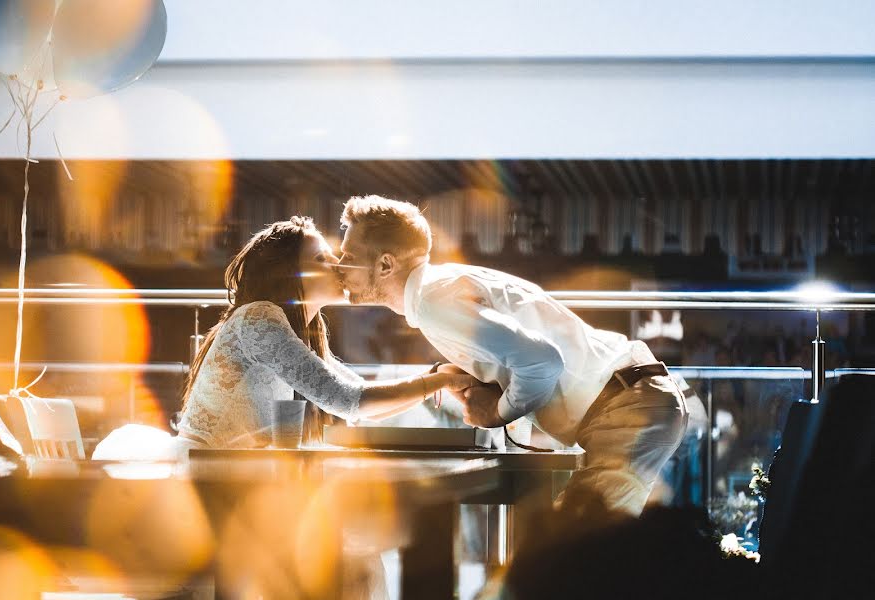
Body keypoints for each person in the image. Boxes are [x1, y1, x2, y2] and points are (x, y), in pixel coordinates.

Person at [337, 196, 688, 516]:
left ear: (385, 264)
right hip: (632, 400)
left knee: (569, 553)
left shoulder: (432, 303)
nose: (339, 267)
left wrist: (496, 412)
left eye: (348, 257)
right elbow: (529, 354)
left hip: (626, 411)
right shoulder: (441, 287)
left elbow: (543, 361)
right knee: (583, 557)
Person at [95, 217, 475, 459]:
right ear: (292, 275)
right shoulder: (260, 318)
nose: (339, 266)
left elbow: (356, 392)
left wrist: (436, 376)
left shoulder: (303, 329)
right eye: (322, 260)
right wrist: (438, 381)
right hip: (213, 478)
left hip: (244, 475)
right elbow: (349, 401)